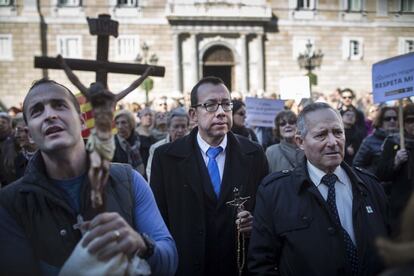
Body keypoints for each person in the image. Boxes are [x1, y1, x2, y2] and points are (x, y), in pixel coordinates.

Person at [0, 79, 177, 275]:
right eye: (37, 111)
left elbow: (169, 260)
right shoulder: (10, 204)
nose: (50, 115)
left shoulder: (128, 180)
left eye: (59, 105)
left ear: (82, 120)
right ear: (29, 133)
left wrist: (143, 245)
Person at [248, 102, 389, 276]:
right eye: (321, 135)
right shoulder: (274, 192)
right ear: (300, 141)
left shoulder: (371, 186)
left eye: (338, 132)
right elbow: (261, 263)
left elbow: (391, 252)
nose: (333, 142)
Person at [150, 76, 269, 276]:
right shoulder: (166, 158)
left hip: (238, 266)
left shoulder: (254, 154)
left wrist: (253, 222)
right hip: (187, 266)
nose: (221, 112)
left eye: (226, 104)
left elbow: (267, 214)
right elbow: (159, 221)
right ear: (193, 115)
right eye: (211, 105)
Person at [375, 103, 414, 237]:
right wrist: (396, 161)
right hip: (402, 208)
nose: (413, 124)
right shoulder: (393, 142)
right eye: (410, 120)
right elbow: (381, 174)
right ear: (403, 123)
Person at [146, 108, 189, 182]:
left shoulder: (194, 146)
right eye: (176, 126)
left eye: (183, 126)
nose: (180, 130)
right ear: (168, 128)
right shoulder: (156, 148)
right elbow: (151, 175)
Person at [353, 106, 398, 174]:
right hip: (379, 182)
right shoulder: (369, 141)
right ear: (380, 121)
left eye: (395, 118)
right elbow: (357, 166)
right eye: (387, 119)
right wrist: (376, 172)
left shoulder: (403, 139)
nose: (392, 121)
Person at [113, 109, 145, 176]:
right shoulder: (111, 144)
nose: (120, 127)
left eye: (123, 122)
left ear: (131, 124)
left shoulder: (143, 141)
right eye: (117, 123)